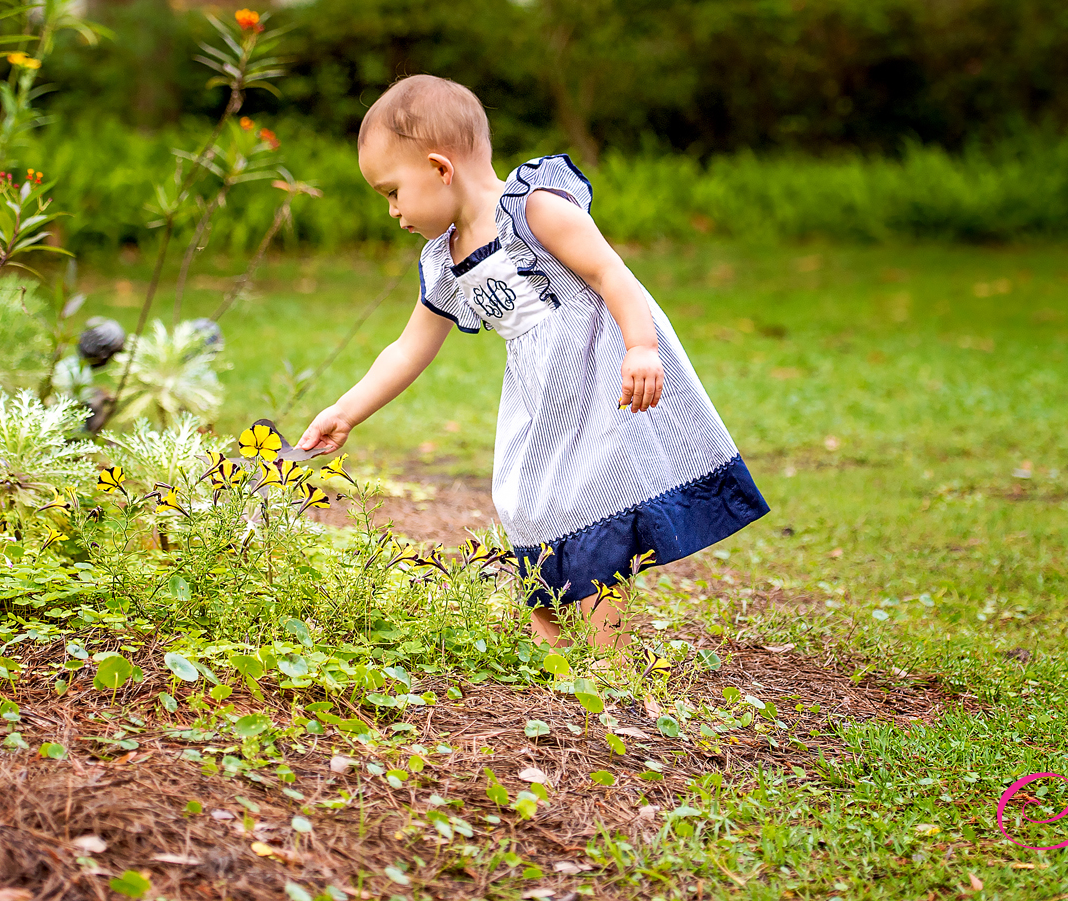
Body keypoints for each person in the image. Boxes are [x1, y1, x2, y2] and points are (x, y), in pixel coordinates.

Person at [296, 75, 769, 647]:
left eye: (392, 192)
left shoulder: (533, 208)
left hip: (601, 372)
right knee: (523, 503)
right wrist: (346, 411)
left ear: (441, 169)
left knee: (594, 501)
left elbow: (609, 272)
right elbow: (408, 347)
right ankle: (548, 644)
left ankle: (606, 655)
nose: (392, 211)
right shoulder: (445, 262)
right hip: (540, 393)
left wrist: (641, 346)